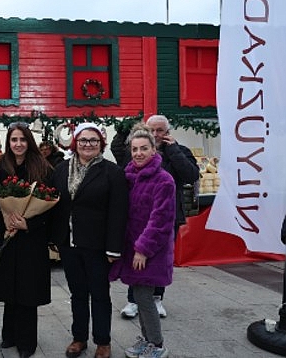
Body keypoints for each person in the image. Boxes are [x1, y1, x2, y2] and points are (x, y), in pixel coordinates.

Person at [51, 122, 128, 358]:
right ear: (75, 143)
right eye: (83, 140)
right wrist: (55, 236)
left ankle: (103, 341)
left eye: (93, 141)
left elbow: (118, 212)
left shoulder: (112, 172)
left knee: (100, 293)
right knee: (78, 293)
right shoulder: (62, 169)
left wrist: (114, 248)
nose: (88, 145)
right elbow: (55, 205)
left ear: (101, 144)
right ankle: (79, 338)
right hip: (69, 243)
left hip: (97, 245)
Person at [111, 114, 199, 318]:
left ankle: (157, 299)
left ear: (167, 132)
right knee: (135, 257)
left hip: (168, 216)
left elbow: (191, 175)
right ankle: (133, 299)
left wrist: (174, 150)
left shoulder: (179, 151)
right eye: (152, 130)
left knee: (160, 259)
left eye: (160, 130)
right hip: (136, 216)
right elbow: (117, 149)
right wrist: (124, 126)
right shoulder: (136, 151)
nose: (156, 134)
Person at [0, 122, 53, 358]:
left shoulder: (43, 168)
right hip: (9, 237)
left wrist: (29, 224)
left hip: (31, 239)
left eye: (22, 140)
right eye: (14, 140)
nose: (18, 144)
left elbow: (51, 206)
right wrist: (0, 227)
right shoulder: (2, 166)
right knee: (9, 288)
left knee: (27, 291)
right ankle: (9, 335)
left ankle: (27, 342)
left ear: (29, 142)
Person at [109, 124, 175, 358]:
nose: (138, 153)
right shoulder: (129, 177)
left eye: (144, 148)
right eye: (135, 149)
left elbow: (161, 219)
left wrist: (143, 249)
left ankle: (156, 344)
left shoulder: (163, 180)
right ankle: (147, 339)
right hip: (133, 250)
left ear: (153, 150)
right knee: (139, 295)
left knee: (145, 298)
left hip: (150, 252)